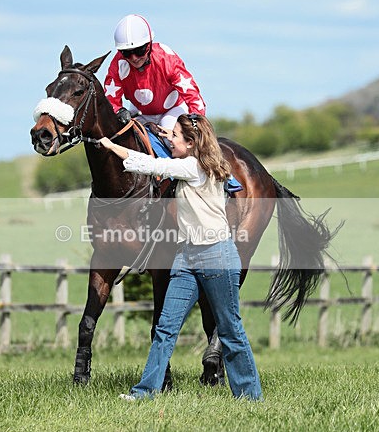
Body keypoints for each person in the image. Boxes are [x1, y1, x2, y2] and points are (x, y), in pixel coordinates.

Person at [99, 113, 262, 402]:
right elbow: (176, 148)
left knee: (230, 329)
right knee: (165, 328)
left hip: (216, 257)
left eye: (174, 136)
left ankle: (250, 396)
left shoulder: (192, 167)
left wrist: (112, 146)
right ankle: (145, 391)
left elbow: (150, 163)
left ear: (190, 143)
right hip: (187, 258)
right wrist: (169, 133)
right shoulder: (202, 162)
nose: (168, 139)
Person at [104, 14, 206, 131]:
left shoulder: (166, 59)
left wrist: (196, 124)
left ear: (149, 44)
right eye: (126, 52)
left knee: (172, 141)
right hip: (140, 112)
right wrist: (118, 111)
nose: (134, 58)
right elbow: (110, 100)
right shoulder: (118, 64)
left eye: (139, 50)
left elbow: (193, 97)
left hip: (172, 110)